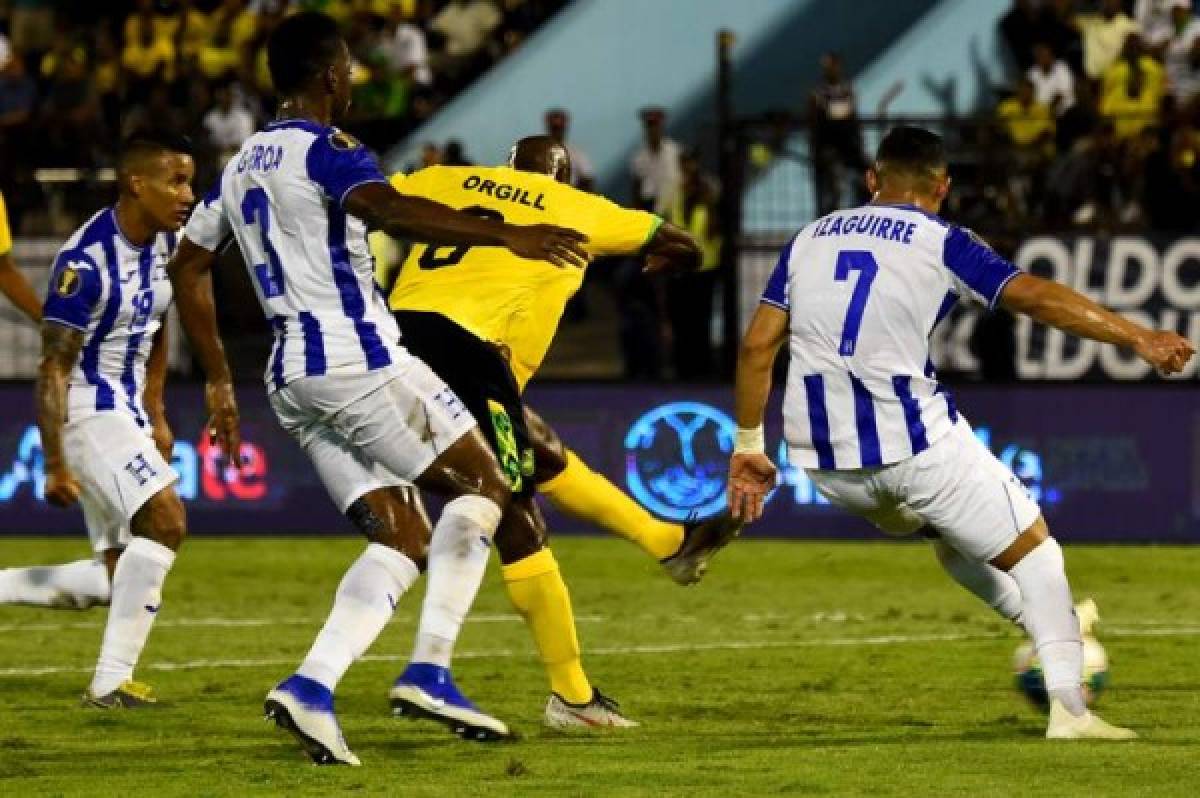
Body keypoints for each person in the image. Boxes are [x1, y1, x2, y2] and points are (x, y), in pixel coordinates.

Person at [170, 11, 589, 765]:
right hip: (359, 360)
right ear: (330, 73)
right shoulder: (331, 150)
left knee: (404, 537)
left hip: (290, 378)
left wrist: (218, 380)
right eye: (351, 69)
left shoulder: (240, 164)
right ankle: (430, 669)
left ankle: (311, 687)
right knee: (486, 486)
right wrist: (509, 234)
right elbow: (388, 208)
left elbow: (188, 264)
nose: (355, 80)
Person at [727, 125, 1194, 740]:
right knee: (1037, 551)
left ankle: (1042, 619)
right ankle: (1070, 710)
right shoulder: (941, 240)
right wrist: (1137, 335)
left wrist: (748, 448)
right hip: (911, 445)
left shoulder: (808, 239)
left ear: (872, 179)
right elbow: (1033, 296)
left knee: (946, 534)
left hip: (827, 466)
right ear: (942, 187)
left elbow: (757, 346)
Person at [385, 136, 741, 729]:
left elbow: (369, 203)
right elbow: (689, 244)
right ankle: (570, 697)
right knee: (515, 508)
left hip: (391, 340)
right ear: (565, 177)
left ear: (506, 164)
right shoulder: (580, 207)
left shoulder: (444, 177)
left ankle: (665, 543)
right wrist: (669, 256)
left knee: (537, 448)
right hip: (466, 352)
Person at [34, 130, 197, 708]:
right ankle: (109, 684)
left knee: (116, 575)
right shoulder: (85, 261)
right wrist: (55, 462)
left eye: (191, 181)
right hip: (86, 410)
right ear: (137, 183)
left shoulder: (163, 245)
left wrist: (156, 410)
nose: (188, 194)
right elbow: (52, 367)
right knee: (167, 519)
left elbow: (157, 325)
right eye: (176, 181)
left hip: (126, 413)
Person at [544, 108, 594, 191]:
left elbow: (587, 179)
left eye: (560, 128)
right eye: (555, 128)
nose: (557, 132)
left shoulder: (576, 155)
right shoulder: (538, 152)